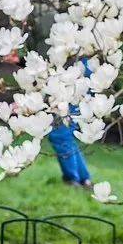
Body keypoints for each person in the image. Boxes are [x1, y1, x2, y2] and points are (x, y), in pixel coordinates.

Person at [46, 56, 94, 187]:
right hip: (79, 69)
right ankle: (84, 179)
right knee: (65, 135)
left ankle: (72, 179)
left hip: (75, 72)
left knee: (60, 134)